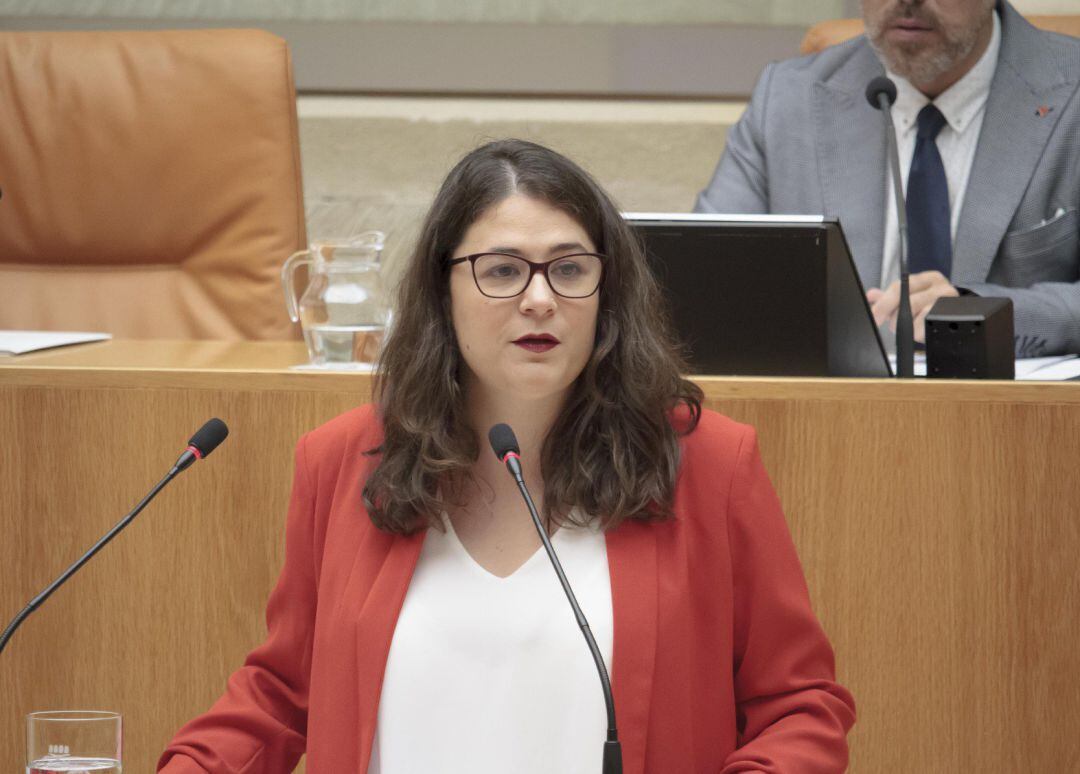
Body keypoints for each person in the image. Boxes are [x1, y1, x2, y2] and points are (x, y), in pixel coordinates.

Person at [158, 139, 855, 773]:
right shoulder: (344, 462)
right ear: (442, 290)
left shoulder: (707, 465)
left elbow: (800, 706)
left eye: (570, 268)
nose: (541, 299)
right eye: (502, 270)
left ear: (606, 291)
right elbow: (282, 695)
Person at [696, 0, 1080, 357]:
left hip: (1015, 417)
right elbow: (702, 277)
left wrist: (991, 312)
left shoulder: (1070, 96)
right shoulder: (786, 98)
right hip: (831, 413)